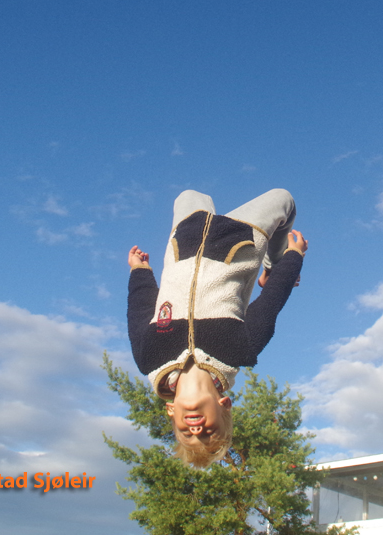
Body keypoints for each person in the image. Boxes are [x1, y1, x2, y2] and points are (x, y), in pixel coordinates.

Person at [127, 189, 306, 468]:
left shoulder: (149, 358)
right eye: (209, 432)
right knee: (284, 199)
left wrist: (139, 271)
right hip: (240, 239)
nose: (197, 430)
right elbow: (272, 302)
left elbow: (140, 310)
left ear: (171, 411)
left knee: (187, 194)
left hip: (185, 239)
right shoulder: (238, 351)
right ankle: (272, 265)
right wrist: (292, 258)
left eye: (187, 434)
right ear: (224, 405)